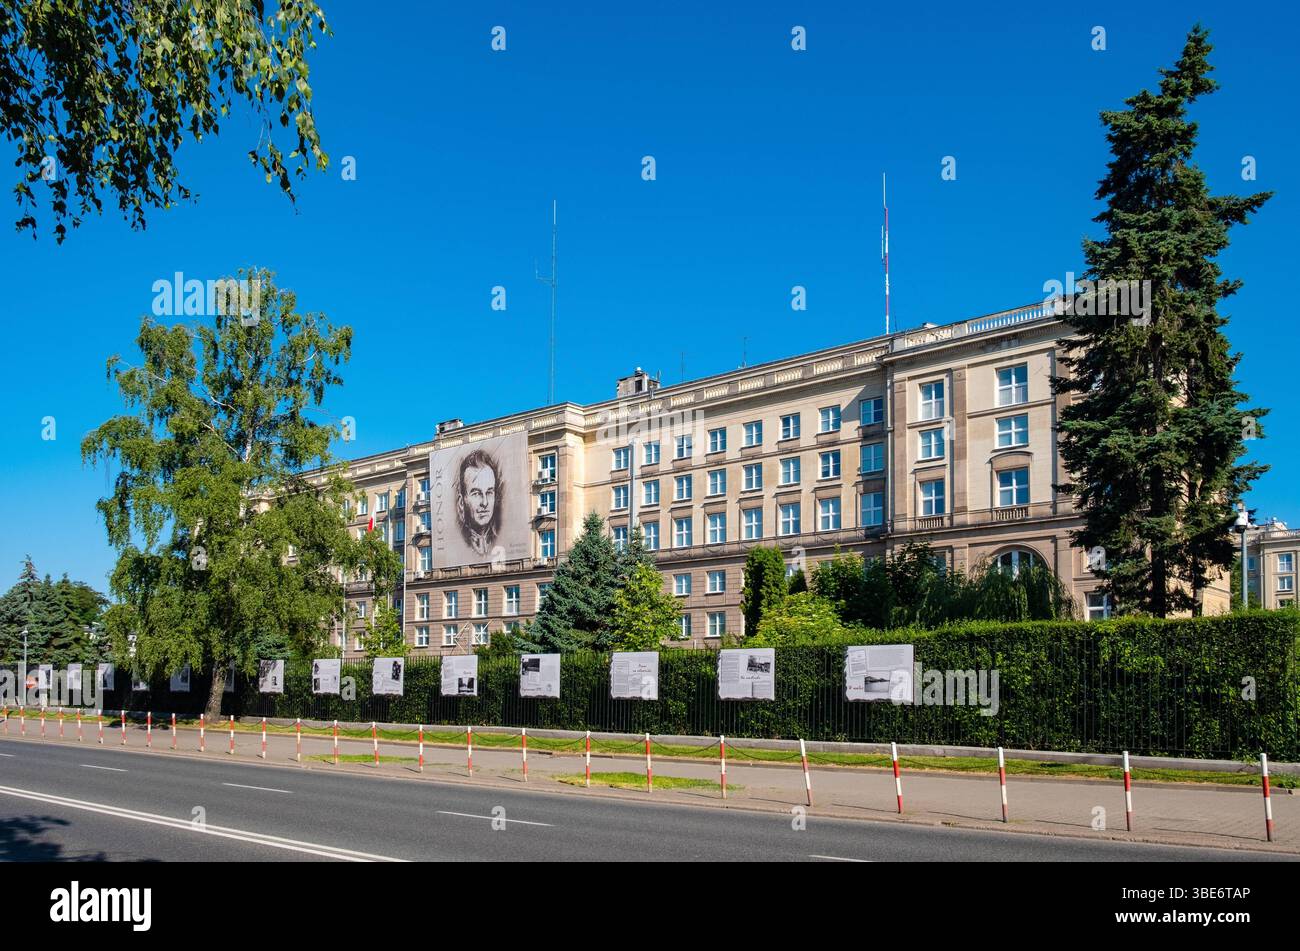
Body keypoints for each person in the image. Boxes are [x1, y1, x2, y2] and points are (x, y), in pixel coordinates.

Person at [455, 449, 504, 556]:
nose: (485, 503)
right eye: (476, 493)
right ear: (462, 502)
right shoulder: (459, 542)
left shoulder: (501, 536)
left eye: (489, 492)